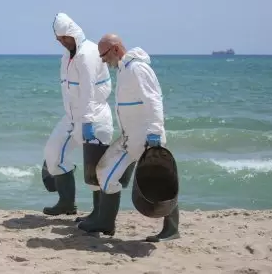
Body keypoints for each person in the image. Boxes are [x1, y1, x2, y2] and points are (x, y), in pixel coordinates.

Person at [77, 33, 180, 242]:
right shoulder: (124, 69)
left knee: (163, 182)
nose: (103, 61)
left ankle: (171, 229)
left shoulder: (138, 69)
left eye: (104, 55)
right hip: (128, 138)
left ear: (115, 49)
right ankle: (105, 222)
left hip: (146, 138)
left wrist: (154, 131)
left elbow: (153, 100)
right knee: (104, 172)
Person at [41, 13, 114, 219]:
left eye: (65, 37)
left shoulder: (87, 54)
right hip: (71, 118)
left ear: (73, 33)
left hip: (94, 117)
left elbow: (89, 91)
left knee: (95, 170)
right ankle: (66, 203)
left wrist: (88, 122)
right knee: (53, 153)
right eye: (59, 39)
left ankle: (99, 215)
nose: (62, 42)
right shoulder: (67, 56)